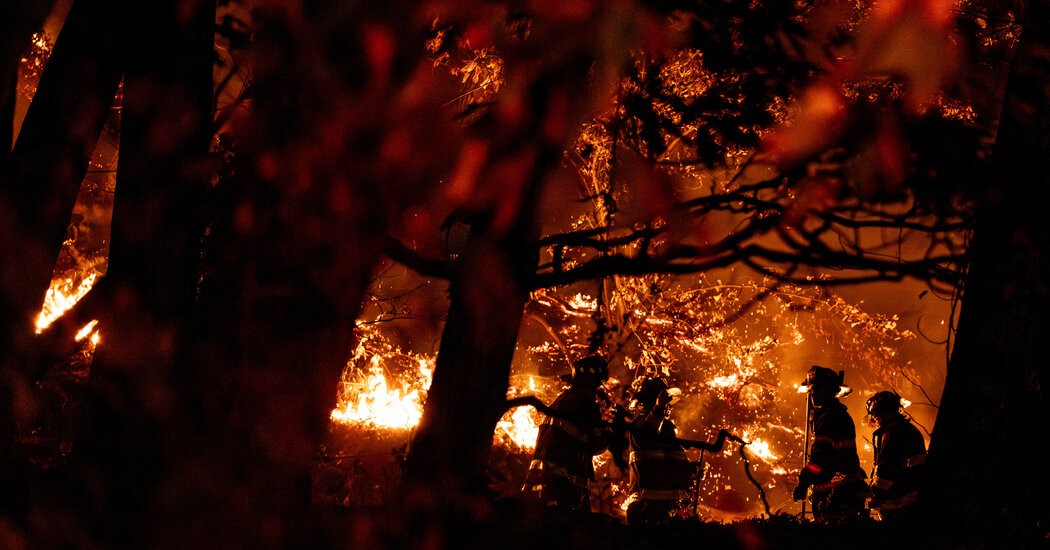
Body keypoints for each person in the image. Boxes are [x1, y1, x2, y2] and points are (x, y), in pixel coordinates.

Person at [622, 376, 728, 526]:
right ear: (654, 402)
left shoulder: (667, 431)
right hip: (646, 511)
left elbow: (667, 465)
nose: (669, 407)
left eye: (668, 403)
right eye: (666, 403)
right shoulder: (639, 426)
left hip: (669, 511)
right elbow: (649, 430)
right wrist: (658, 408)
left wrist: (690, 470)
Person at [522, 355, 612, 511]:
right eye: (598, 383)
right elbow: (597, 445)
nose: (598, 389)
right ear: (592, 383)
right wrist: (611, 433)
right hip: (563, 490)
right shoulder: (587, 406)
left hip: (539, 484)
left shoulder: (561, 400)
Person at [793, 366, 868, 522]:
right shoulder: (839, 414)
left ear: (823, 389)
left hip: (835, 493)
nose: (811, 393)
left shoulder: (828, 418)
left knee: (829, 537)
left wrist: (804, 481)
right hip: (845, 489)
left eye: (812, 389)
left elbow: (820, 457)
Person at [866, 390, 927, 520]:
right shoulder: (910, 430)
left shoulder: (892, 434)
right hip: (912, 500)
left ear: (882, 413)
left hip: (898, 504)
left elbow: (887, 468)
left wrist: (871, 493)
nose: (876, 421)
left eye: (876, 416)